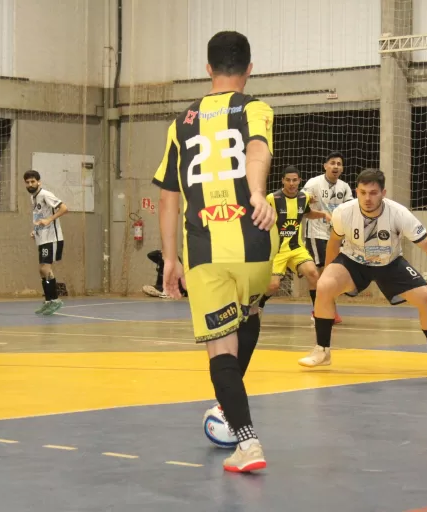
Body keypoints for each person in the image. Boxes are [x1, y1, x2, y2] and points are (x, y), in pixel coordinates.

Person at [152, 30, 277, 473]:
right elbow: (258, 149)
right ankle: (228, 406)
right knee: (251, 315)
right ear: (249, 68)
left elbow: (168, 198)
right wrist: (257, 193)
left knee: (220, 351)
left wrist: (170, 259)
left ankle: (247, 442)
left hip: (205, 250)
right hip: (257, 242)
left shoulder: (180, 123)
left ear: (207, 69)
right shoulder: (257, 109)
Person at [298, 169, 427, 372]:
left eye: (373, 193)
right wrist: (329, 272)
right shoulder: (343, 212)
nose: (367, 198)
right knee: (324, 285)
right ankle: (322, 350)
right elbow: (334, 242)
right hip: (353, 261)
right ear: (356, 191)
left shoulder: (399, 213)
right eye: (362, 192)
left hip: (390, 264)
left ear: (383, 193)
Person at [257, 165, 331, 316]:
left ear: (299, 181)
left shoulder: (304, 198)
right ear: (282, 181)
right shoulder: (273, 199)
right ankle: (259, 304)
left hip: (297, 248)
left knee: (313, 273)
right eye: (288, 180)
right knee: (273, 286)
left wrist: (324, 215)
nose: (292, 183)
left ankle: (318, 312)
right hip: (277, 251)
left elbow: (308, 214)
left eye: (295, 180)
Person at [302, 152, 353, 322]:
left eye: (339, 163)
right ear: (325, 166)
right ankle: (319, 311)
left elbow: (349, 209)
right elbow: (301, 204)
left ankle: (326, 309)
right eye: (332, 163)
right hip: (317, 233)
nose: (336, 166)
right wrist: (308, 198)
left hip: (337, 235)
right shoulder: (313, 183)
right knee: (323, 273)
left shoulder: (344, 187)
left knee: (335, 274)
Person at [24, 170, 68, 315]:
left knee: (45, 269)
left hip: (52, 238)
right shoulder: (33, 198)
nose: (30, 184)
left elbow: (64, 208)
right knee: (42, 270)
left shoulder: (45, 194)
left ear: (39, 182)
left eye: (33, 181)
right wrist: (35, 230)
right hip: (42, 237)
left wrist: (49, 220)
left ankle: (55, 300)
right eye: (28, 182)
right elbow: (40, 216)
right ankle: (49, 301)